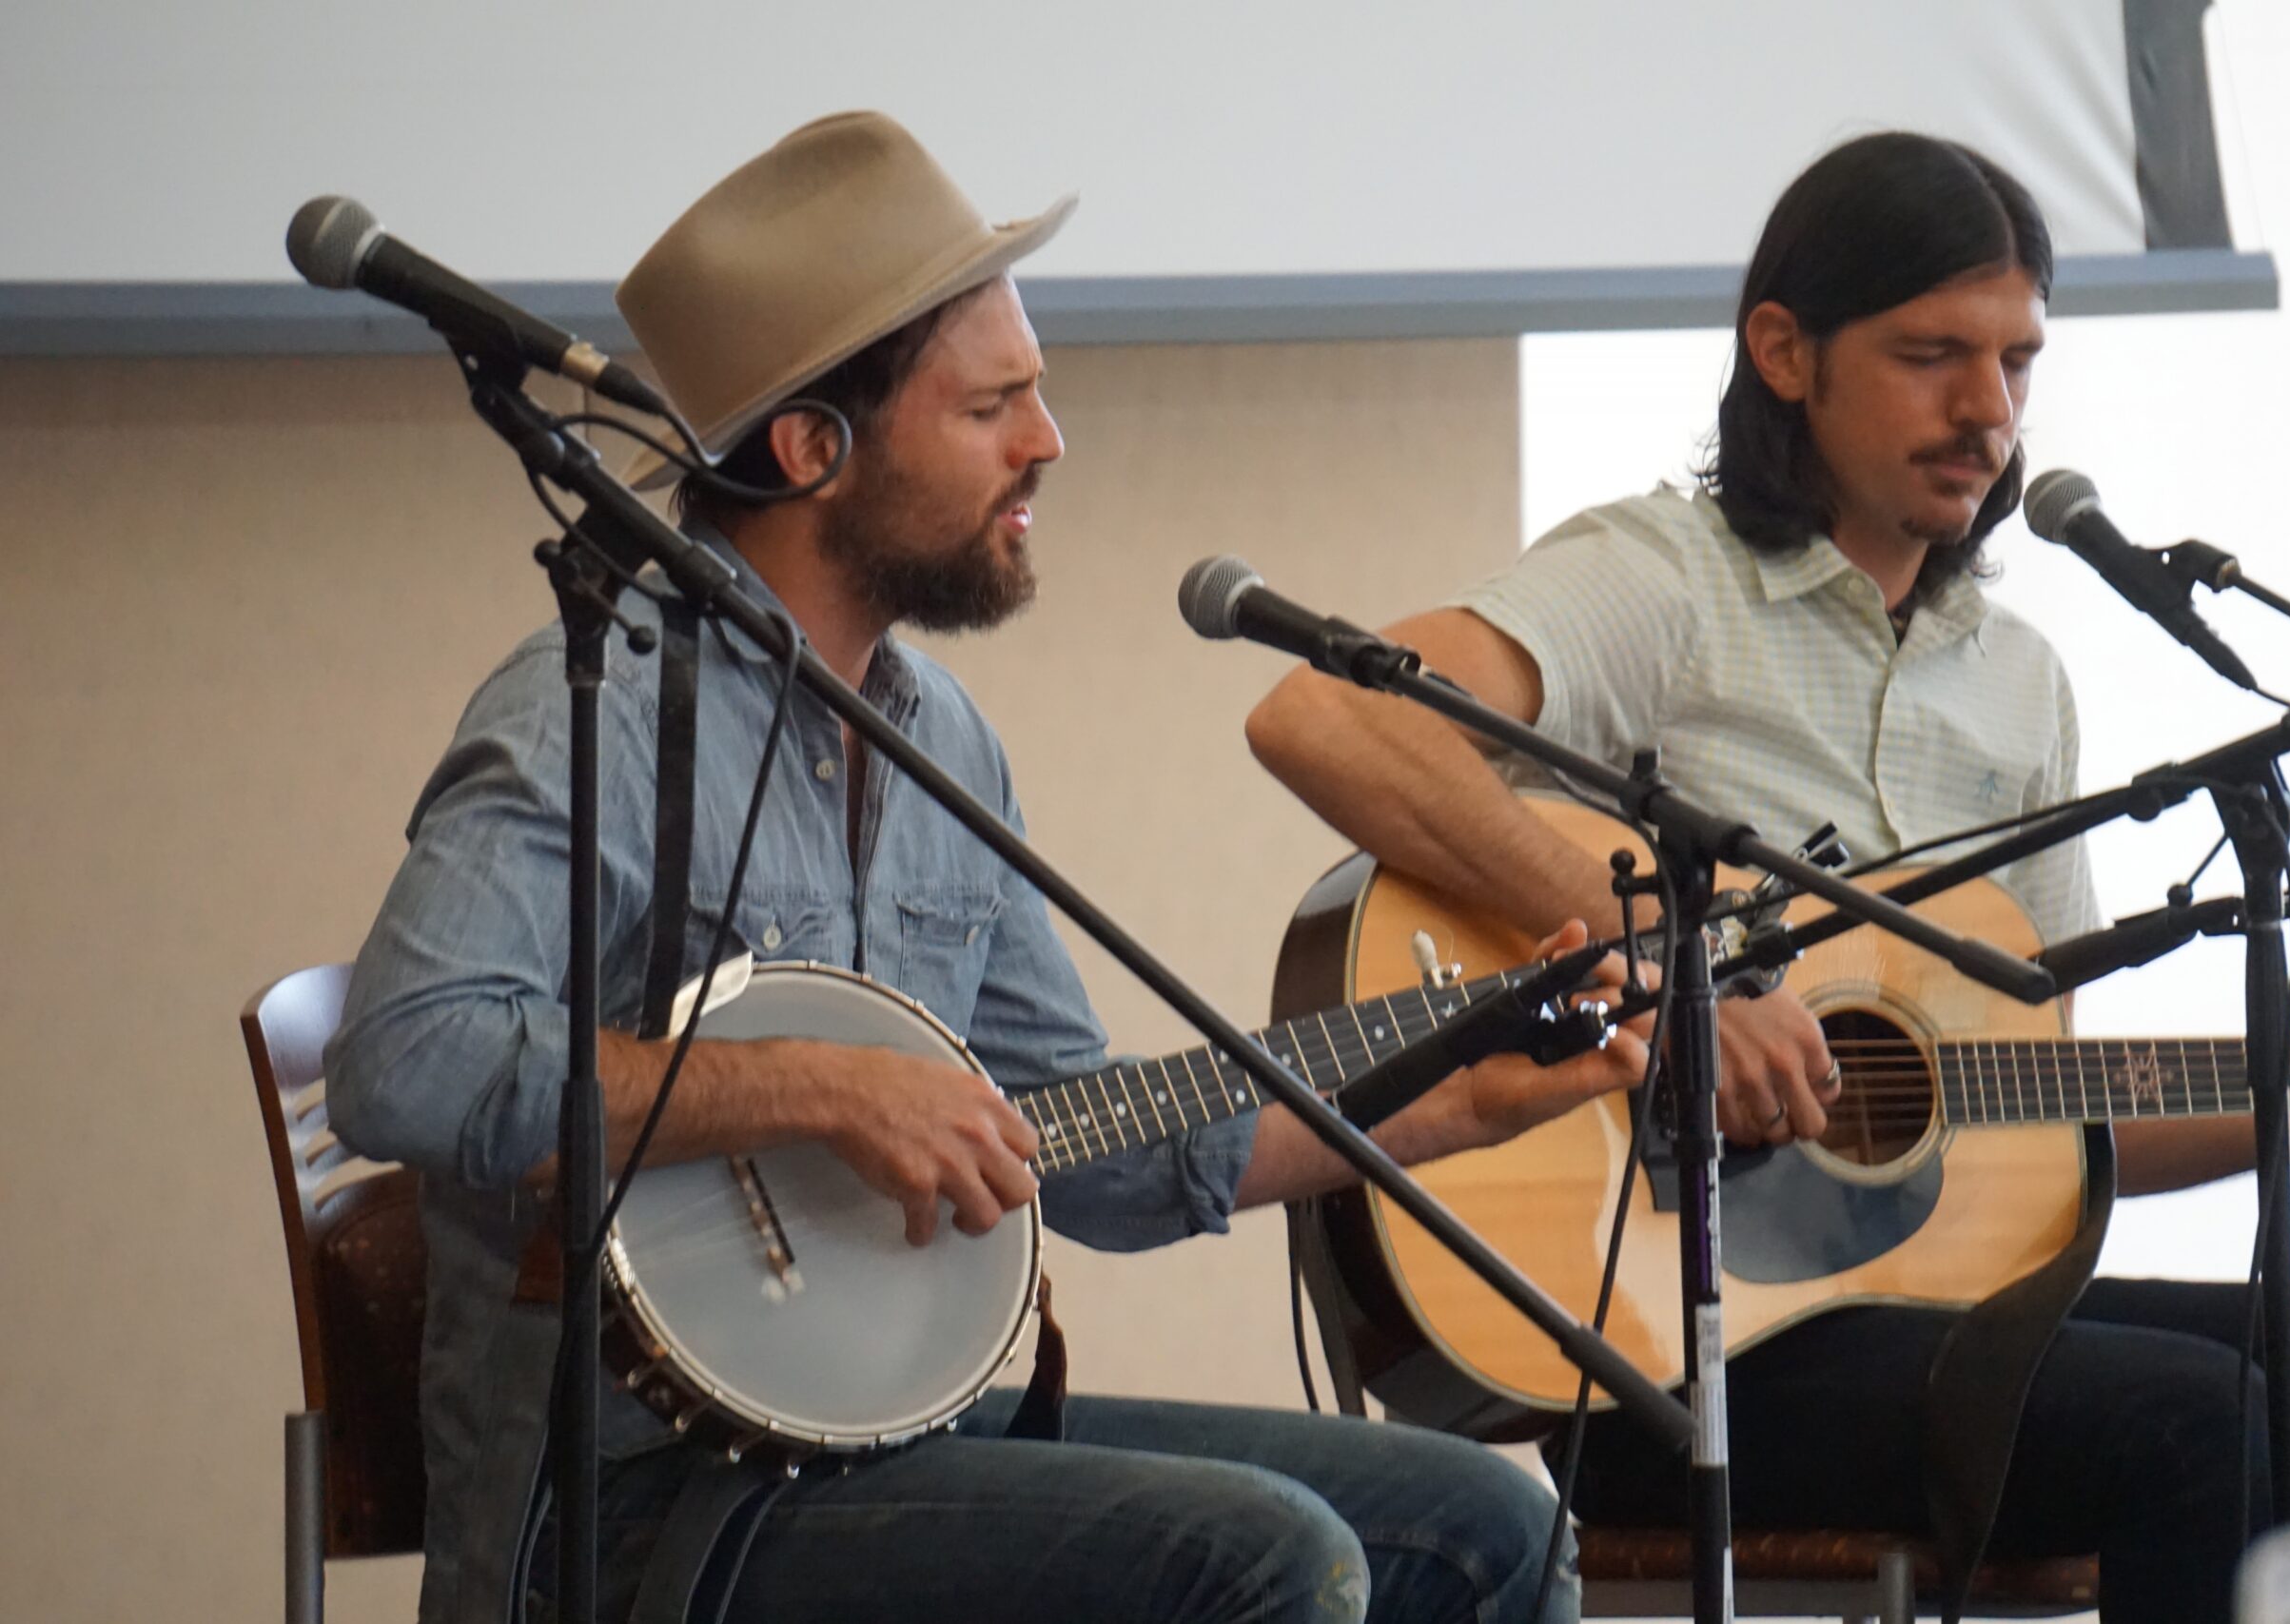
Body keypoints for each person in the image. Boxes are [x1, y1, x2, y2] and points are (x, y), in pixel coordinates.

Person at [324, 112, 1649, 1624]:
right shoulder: (603, 705)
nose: (1048, 442)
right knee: (1273, 1563)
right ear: (814, 447)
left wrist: (1450, 1097)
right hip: (631, 1505)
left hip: (888, 1440)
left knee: (1497, 1530)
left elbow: (1094, 1148)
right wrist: (821, 1088)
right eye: (993, 406)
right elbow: (404, 1061)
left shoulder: (936, 733)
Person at [1245, 131, 2290, 1624]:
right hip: (1670, 1343)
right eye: (1935, 356)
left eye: (2016, 362)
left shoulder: (2017, 684)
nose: (1988, 411)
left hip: (1933, 1316)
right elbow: (1327, 713)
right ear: (1785, 352)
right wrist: (1674, 982)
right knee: (2196, 1426)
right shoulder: (1665, 582)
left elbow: (2049, 1097)